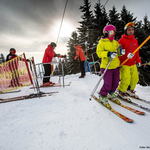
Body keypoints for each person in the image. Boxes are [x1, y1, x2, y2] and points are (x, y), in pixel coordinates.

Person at [96, 25, 125, 107]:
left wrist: (121, 52)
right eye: (111, 32)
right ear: (106, 33)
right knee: (108, 84)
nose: (113, 34)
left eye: (114, 32)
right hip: (106, 67)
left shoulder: (115, 42)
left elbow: (118, 53)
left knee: (115, 83)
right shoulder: (102, 43)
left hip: (115, 66)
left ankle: (111, 93)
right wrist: (108, 54)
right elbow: (99, 53)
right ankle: (102, 95)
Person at [117, 22, 142, 100]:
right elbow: (118, 52)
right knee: (126, 78)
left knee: (135, 78)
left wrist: (138, 61)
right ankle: (121, 91)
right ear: (125, 31)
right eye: (129, 30)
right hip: (124, 63)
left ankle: (130, 90)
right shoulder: (121, 41)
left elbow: (137, 52)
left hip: (132, 63)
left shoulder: (135, 41)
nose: (131, 31)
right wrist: (126, 55)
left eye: (132, 29)